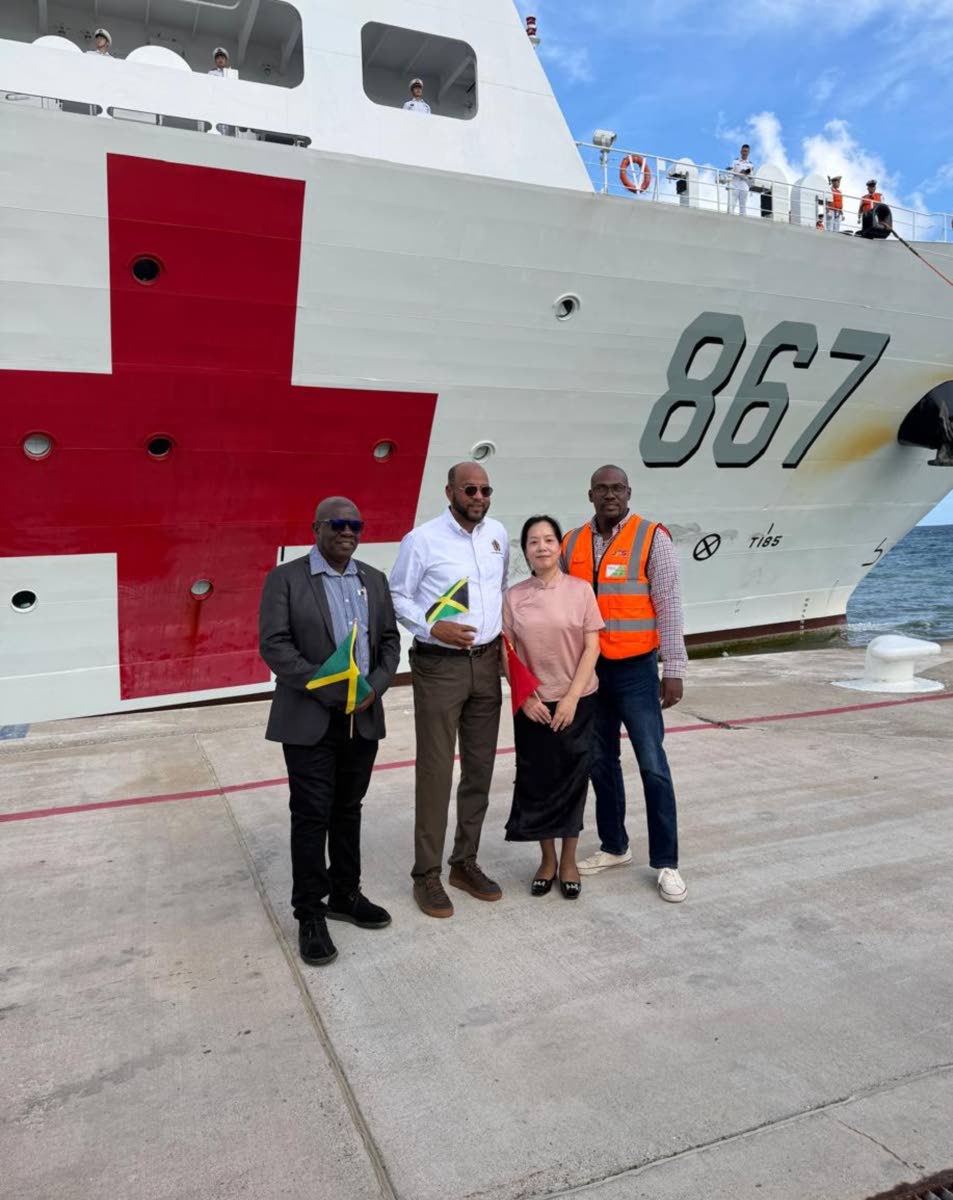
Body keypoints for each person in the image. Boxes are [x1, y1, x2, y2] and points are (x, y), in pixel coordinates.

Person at [259, 496, 401, 966]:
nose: (348, 531)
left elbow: (388, 643)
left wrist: (374, 689)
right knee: (311, 814)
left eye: (355, 525)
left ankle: (346, 894)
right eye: (338, 524)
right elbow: (275, 646)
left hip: (362, 716)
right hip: (311, 716)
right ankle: (310, 913)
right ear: (317, 527)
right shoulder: (286, 579)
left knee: (348, 809)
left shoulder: (374, 581)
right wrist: (326, 688)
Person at [561, 465, 689, 903]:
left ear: (629, 493)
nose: (609, 494)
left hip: (636, 671)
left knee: (652, 764)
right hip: (590, 672)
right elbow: (558, 602)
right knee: (600, 763)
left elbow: (668, 602)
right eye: (602, 488)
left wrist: (673, 667)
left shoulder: (653, 538)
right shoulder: (572, 542)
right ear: (590, 493)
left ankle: (667, 862)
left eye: (617, 488)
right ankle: (615, 845)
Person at [390, 463, 509, 918]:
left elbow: (497, 592)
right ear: (450, 492)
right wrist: (432, 626)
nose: (479, 496)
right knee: (436, 773)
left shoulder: (497, 533)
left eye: (485, 489)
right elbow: (398, 595)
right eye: (470, 489)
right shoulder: (421, 540)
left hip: (486, 666)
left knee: (479, 770)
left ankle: (465, 862)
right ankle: (427, 875)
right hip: (440, 667)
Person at [504, 516, 603, 899]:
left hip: (577, 701)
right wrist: (526, 697)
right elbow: (507, 653)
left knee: (573, 780)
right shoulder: (513, 596)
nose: (541, 547)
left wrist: (571, 698)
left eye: (548, 540)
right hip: (532, 705)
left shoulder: (581, 591)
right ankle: (546, 858)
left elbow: (592, 647)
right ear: (525, 550)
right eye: (533, 541)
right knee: (537, 781)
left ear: (560, 546)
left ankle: (569, 860)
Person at [728, 144, 754, 216]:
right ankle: (730, 216)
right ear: (741, 151)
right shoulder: (735, 161)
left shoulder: (750, 165)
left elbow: (751, 177)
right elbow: (730, 172)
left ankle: (743, 217)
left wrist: (746, 173)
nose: (745, 153)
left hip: (744, 184)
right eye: (744, 151)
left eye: (746, 151)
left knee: (743, 204)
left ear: (748, 153)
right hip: (735, 182)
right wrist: (739, 173)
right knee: (732, 202)